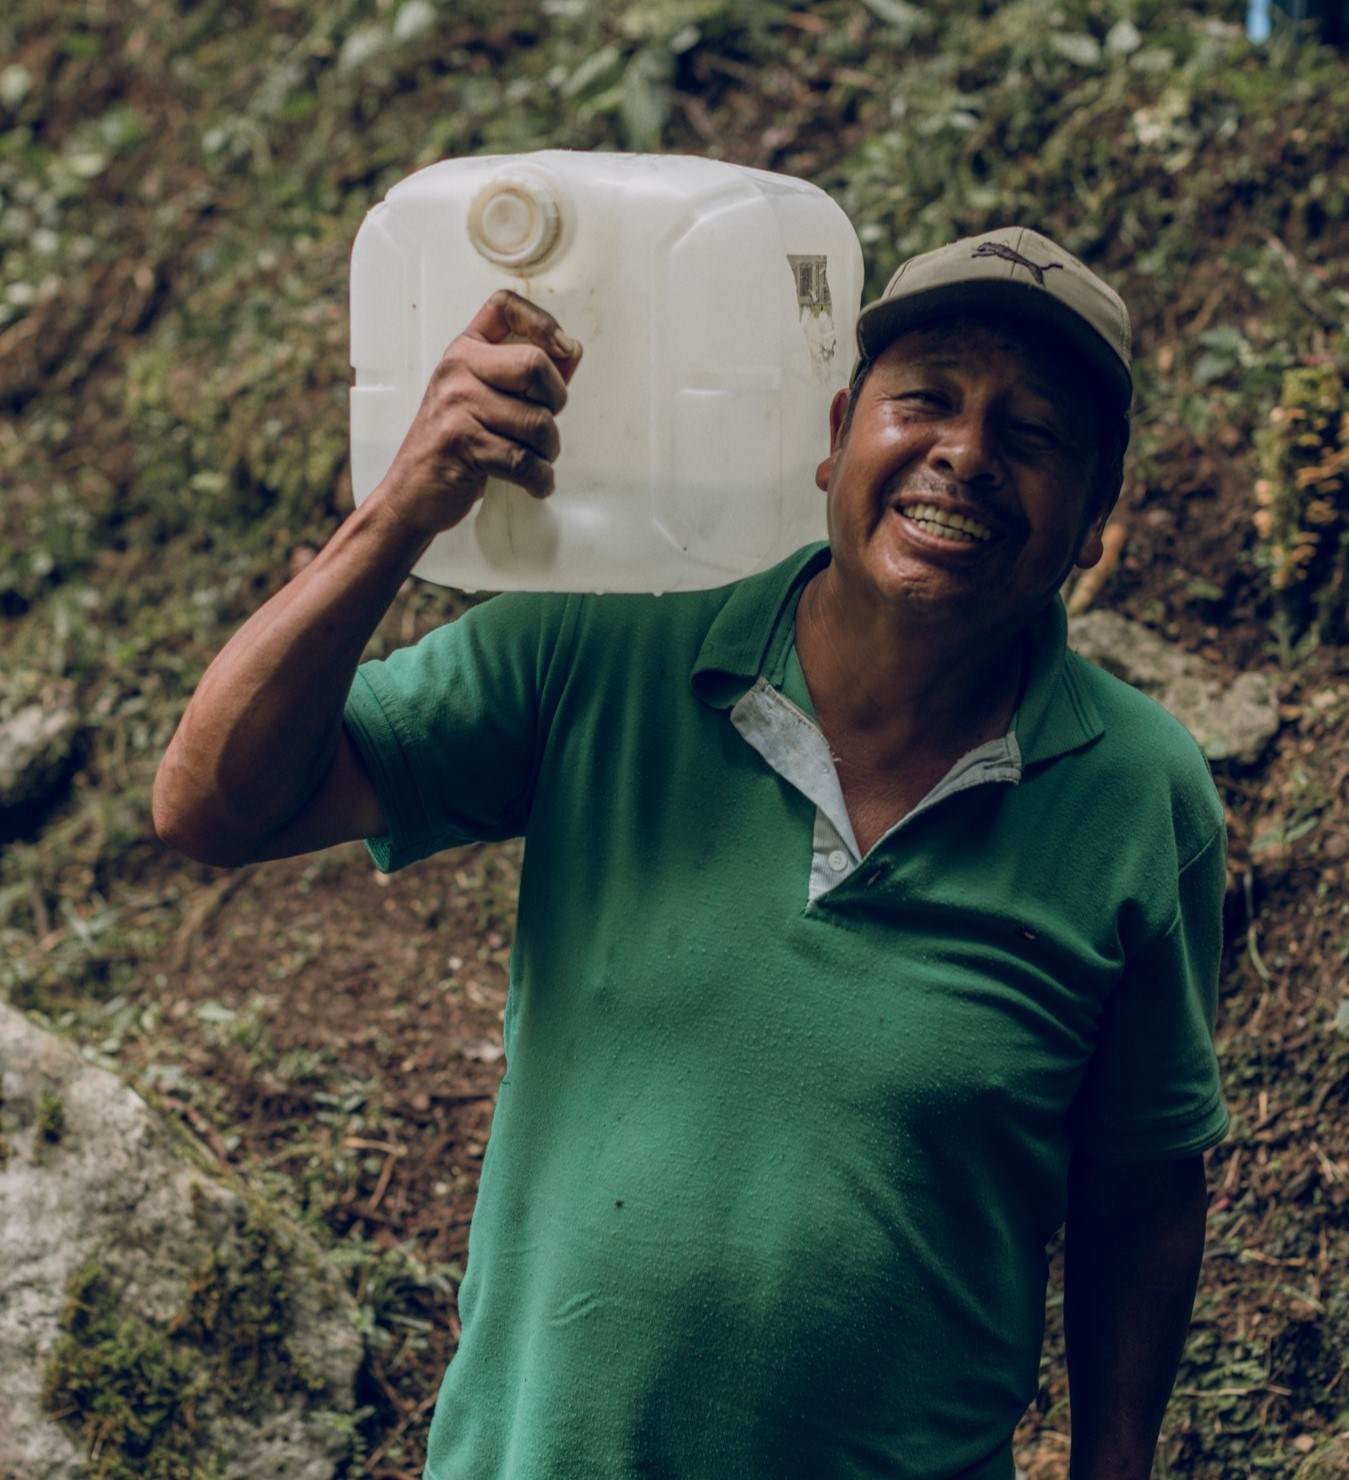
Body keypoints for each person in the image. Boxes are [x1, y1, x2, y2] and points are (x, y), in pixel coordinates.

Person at [153, 225, 1230, 1480]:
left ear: (1096, 515)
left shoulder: (1138, 795)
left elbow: (1141, 1194)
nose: (966, 453)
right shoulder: (605, 649)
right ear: (835, 434)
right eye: (925, 399)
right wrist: (400, 513)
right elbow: (213, 804)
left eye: (1032, 434)